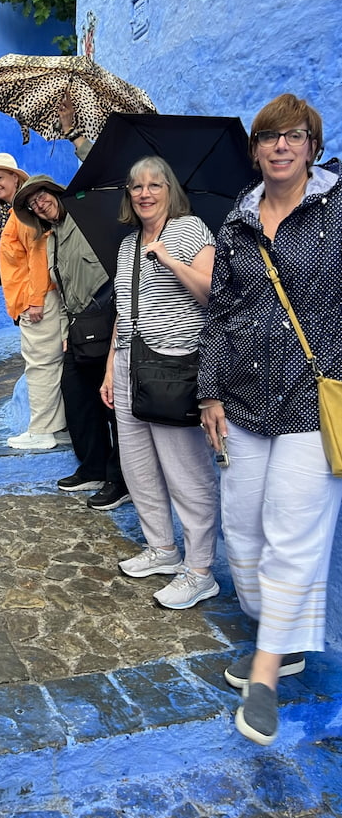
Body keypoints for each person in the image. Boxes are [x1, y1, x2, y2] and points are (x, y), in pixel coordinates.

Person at [198, 93, 342, 746]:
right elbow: (220, 318)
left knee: (290, 533)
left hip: (313, 403)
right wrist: (208, 393)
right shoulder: (236, 223)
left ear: (311, 145)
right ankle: (280, 639)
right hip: (245, 404)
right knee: (244, 536)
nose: (280, 146)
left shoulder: (336, 212)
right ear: (254, 150)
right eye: (267, 137)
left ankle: (264, 674)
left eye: (293, 135)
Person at [100, 156, 220, 608]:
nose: (145, 193)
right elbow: (122, 311)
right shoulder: (128, 244)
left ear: (170, 189)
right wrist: (111, 367)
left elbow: (211, 292)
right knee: (138, 466)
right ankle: (163, 550)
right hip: (131, 362)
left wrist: (168, 258)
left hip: (173, 364)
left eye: (155, 185)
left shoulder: (189, 230)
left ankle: (200, 570)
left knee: (185, 471)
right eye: (136, 186)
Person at [13, 176, 130, 511]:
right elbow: (62, 290)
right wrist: (66, 331)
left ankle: (119, 480)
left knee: (113, 401)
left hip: (109, 317)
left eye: (41, 196)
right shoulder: (52, 239)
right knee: (77, 396)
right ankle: (93, 467)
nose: (38, 204)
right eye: (32, 204)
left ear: (55, 193)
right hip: (79, 325)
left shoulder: (85, 216)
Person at [0, 153, 66, 450]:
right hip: (31, 300)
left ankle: (41, 431)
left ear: (16, 178)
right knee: (47, 365)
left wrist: (35, 300)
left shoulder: (23, 216)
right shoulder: (18, 213)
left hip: (35, 302)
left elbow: (40, 257)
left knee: (40, 366)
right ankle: (53, 426)